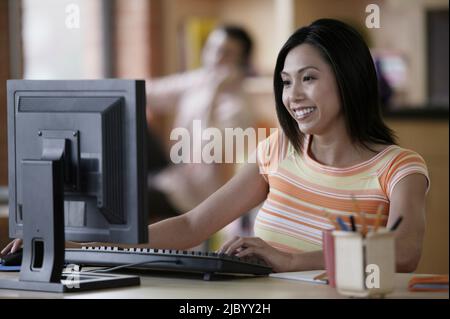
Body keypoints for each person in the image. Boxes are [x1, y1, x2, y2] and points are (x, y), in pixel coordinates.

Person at [1, 19, 429, 273]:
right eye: (285, 81)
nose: (293, 95)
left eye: (309, 78)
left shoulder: (398, 167)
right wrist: (76, 246)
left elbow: (406, 251)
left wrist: (289, 260)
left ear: (349, 77)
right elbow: (190, 228)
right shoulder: (278, 150)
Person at [145, 25, 255, 222]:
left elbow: (207, 153)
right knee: (133, 117)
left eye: (226, 53)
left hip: (195, 196)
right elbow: (148, 93)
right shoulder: (198, 81)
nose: (215, 57)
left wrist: (214, 92)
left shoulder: (238, 108)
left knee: (127, 198)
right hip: (172, 175)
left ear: (242, 62)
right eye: (211, 49)